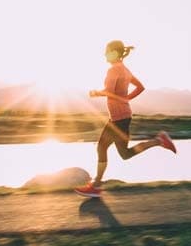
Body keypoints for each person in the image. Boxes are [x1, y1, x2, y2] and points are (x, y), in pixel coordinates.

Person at [75, 40, 176, 198]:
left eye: (107, 51)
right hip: (122, 116)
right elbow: (140, 87)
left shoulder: (113, 71)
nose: (105, 54)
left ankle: (96, 185)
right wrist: (126, 98)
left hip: (118, 119)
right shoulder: (125, 70)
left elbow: (109, 91)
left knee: (101, 147)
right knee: (125, 154)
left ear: (114, 53)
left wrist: (96, 93)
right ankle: (159, 140)